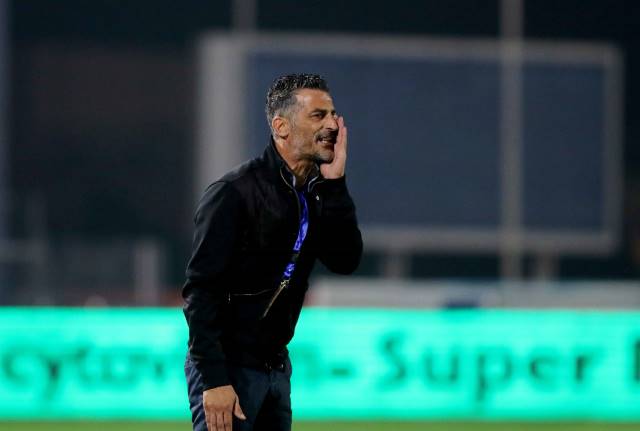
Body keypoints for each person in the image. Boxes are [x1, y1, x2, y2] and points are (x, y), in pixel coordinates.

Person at [182, 73, 363, 431]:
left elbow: (345, 260)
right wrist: (214, 379)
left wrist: (336, 185)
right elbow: (201, 291)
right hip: (229, 370)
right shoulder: (234, 192)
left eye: (332, 114)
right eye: (318, 115)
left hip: (276, 371)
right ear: (282, 127)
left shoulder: (316, 193)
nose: (332, 125)